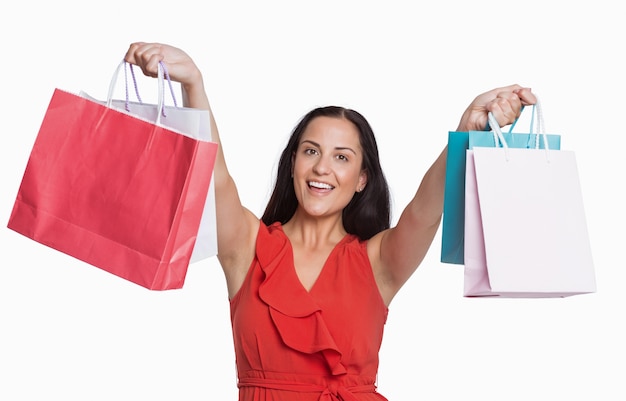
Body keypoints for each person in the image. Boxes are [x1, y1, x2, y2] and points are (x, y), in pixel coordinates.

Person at [125, 42, 536, 401]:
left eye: (341, 157)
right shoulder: (246, 248)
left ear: (361, 180)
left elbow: (425, 212)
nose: (322, 168)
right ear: (292, 164)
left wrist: (466, 129)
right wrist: (193, 82)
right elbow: (214, 179)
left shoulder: (379, 262)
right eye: (310, 151)